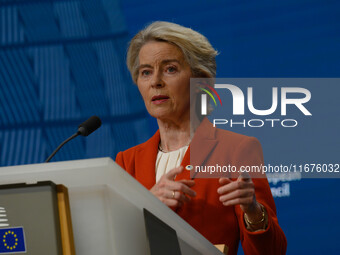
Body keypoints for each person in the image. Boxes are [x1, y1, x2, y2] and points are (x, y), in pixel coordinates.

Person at [115, 21, 287, 255]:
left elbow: (272, 251)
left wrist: (253, 211)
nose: (155, 81)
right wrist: (146, 206)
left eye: (170, 69)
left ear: (201, 81)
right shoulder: (127, 162)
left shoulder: (237, 149)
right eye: (145, 72)